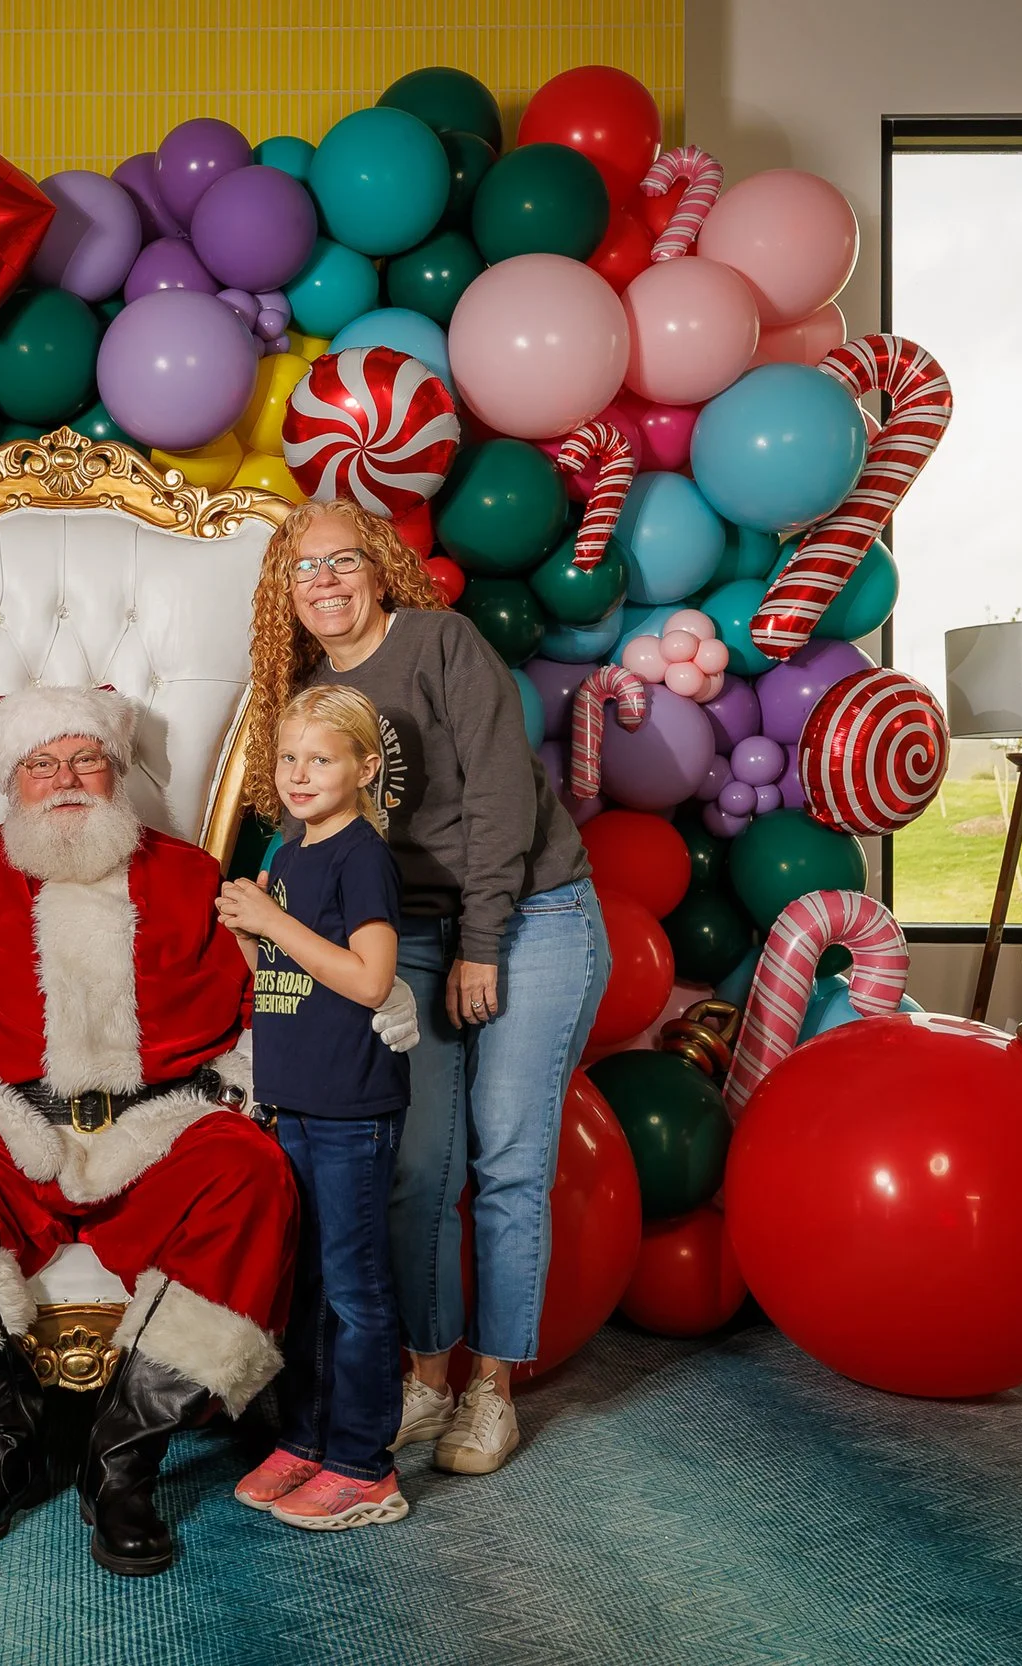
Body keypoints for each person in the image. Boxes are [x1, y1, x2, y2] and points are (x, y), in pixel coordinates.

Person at [0, 684, 298, 1578]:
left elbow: (268, 982)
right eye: (41, 764)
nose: (65, 780)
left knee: (251, 1168)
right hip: (6, 1129)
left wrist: (355, 1003)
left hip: (159, 1129)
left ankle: (122, 1461)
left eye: (85, 759)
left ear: (115, 772)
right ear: (12, 782)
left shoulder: (193, 876)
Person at [242, 499, 606, 1478]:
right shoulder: (311, 689)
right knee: (413, 1167)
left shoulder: (439, 643)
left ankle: (491, 1388)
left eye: (341, 562)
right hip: (407, 932)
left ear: (377, 568)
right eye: (301, 568)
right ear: (285, 592)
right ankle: (426, 1375)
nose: (323, 581)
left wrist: (483, 941)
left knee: (507, 1157)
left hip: (529, 915)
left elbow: (497, 798)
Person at [219, 684, 415, 1532]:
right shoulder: (290, 848)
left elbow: (370, 979)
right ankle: (304, 1440)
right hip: (294, 1099)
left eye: (321, 759)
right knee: (304, 1285)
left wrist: (271, 920)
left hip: (353, 1106)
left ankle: (365, 1465)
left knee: (356, 1290)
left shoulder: (361, 854)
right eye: (289, 757)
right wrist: (249, 929)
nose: (299, 774)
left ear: (365, 769)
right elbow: (285, 973)